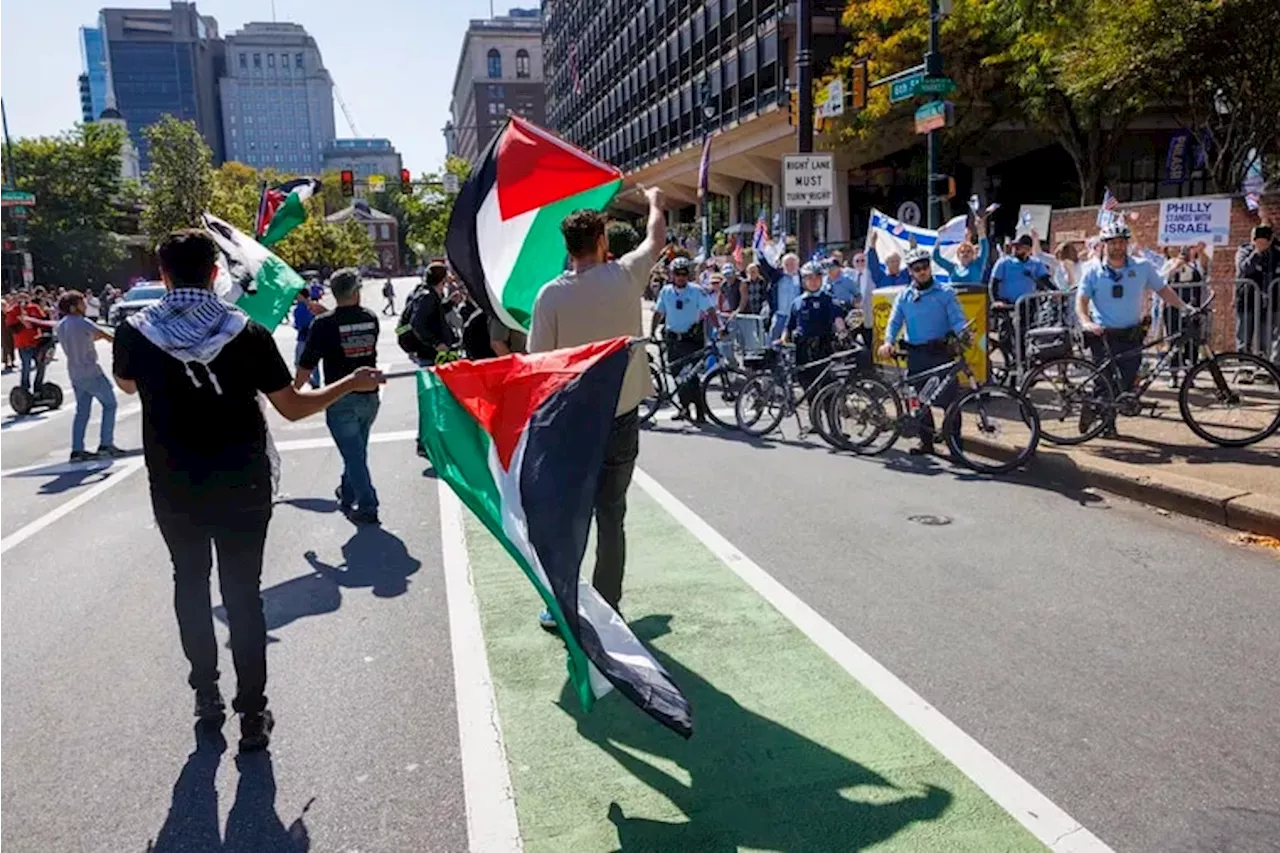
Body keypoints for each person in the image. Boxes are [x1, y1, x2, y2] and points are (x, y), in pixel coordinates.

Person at [112, 229, 384, 752]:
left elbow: (127, 384)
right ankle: (253, 713)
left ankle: (205, 694)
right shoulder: (247, 332)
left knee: (189, 585)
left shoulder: (135, 332)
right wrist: (350, 382)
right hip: (244, 483)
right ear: (215, 273)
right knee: (243, 596)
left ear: (163, 275)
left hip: (174, 485)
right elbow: (293, 406)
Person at [528, 186, 666, 628]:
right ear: (603, 241)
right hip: (621, 418)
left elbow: (538, 367)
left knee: (567, 518)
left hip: (570, 424)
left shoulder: (550, 296)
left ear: (568, 248)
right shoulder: (626, 276)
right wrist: (656, 201)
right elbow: (656, 239)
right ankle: (608, 603)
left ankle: (561, 605)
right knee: (612, 515)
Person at [1076, 220, 1193, 436]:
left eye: (1121, 242)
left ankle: (1095, 410)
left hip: (1131, 333)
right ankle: (1106, 425)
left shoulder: (1142, 267)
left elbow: (1163, 290)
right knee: (1105, 382)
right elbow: (1081, 300)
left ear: (1127, 244)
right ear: (1104, 245)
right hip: (1102, 333)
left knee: (1127, 383)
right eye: (1113, 243)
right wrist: (1086, 321)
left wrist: (1185, 307)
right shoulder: (1092, 270)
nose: (1117, 247)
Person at [295, 268, 383, 524]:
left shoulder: (323, 325)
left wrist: (295, 391)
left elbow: (307, 362)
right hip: (369, 394)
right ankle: (347, 492)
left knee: (353, 452)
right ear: (355, 292)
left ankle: (368, 503)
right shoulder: (371, 318)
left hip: (339, 396)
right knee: (356, 451)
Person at [878, 247, 969, 455]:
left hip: (941, 352)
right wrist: (888, 341)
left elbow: (957, 318)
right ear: (910, 271)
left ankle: (955, 446)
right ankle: (926, 442)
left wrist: (962, 332)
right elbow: (894, 322)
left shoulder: (945, 292)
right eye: (916, 268)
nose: (922, 271)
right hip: (916, 354)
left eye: (925, 267)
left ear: (930, 267)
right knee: (920, 400)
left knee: (951, 401)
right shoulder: (904, 296)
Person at [21, 291, 123, 462]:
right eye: (82, 303)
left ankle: (77, 449)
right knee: (110, 404)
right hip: (92, 371)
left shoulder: (62, 325)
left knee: (82, 412)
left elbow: (83, 339)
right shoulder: (83, 323)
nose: (85, 306)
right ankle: (106, 444)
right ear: (74, 307)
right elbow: (107, 336)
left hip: (75, 373)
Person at [651, 256, 716, 422]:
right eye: (677, 273)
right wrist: (652, 332)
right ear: (672, 275)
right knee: (677, 376)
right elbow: (659, 313)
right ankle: (684, 407)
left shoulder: (696, 291)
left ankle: (700, 411)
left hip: (692, 339)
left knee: (691, 377)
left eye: (684, 273)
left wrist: (720, 327)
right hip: (673, 339)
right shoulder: (666, 292)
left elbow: (710, 310)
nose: (681, 277)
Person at [783, 262, 847, 387]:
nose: (814, 281)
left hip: (823, 347)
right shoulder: (797, 302)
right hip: (803, 349)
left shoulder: (828, 299)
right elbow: (789, 325)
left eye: (817, 278)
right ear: (804, 281)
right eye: (810, 278)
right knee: (807, 384)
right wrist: (783, 340)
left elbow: (838, 319)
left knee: (827, 385)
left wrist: (843, 333)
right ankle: (813, 406)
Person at [1234, 224, 1280, 379]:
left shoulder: (1276, 252)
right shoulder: (1244, 250)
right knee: (1244, 337)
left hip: (1270, 302)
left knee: (1265, 337)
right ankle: (1244, 370)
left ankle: (1263, 368)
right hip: (1247, 300)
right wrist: (1257, 252)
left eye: (1264, 241)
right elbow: (1243, 269)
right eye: (1256, 240)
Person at [7, 290, 53, 394]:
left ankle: (38, 385)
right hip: (23, 344)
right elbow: (12, 328)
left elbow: (42, 321)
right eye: (20, 298)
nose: (23, 300)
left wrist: (43, 318)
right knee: (26, 367)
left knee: (41, 365)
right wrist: (21, 322)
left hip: (36, 342)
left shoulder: (34, 308)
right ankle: (25, 388)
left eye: (25, 298)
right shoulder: (12, 311)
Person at [757, 252, 803, 343]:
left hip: (797, 315)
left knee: (796, 341)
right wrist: (759, 253)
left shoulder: (803, 277)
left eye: (793, 264)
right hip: (780, 315)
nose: (790, 267)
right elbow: (766, 267)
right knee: (773, 340)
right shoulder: (777, 277)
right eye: (787, 264)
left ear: (798, 264)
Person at [291, 283, 324, 389]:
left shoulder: (299, 309)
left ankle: (310, 382)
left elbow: (299, 325)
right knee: (314, 365)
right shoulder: (313, 305)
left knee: (299, 363)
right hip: (314, 338)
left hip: (303, 339)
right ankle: (316, 383)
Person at [0, 293, 14, 372]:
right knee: (5, 347)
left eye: (4, 305)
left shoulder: (8, 313)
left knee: (11, 346)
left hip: (10, 331)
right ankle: (5, 362)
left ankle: (12, 361)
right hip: (2, 332)